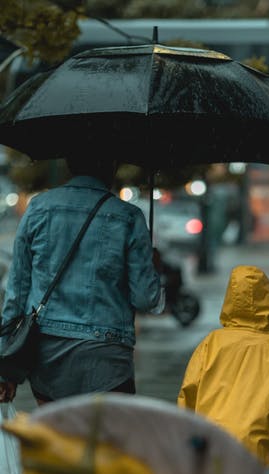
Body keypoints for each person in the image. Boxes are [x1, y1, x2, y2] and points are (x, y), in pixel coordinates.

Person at [0, 150, 165, 407]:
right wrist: (154, 270)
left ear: (69, 165)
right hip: (107, 360)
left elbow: (17, 290)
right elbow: (145, 299)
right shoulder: (129, 216)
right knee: (104, 445)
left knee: (56, 442)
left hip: (48, 356)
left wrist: (5, 364)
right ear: (111, 169)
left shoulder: (39, 208)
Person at [177, 264, 269, 474]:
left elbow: (186, 401)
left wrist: (183, 460)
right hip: (255, 460)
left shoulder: (210, 345)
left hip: (211, 452)